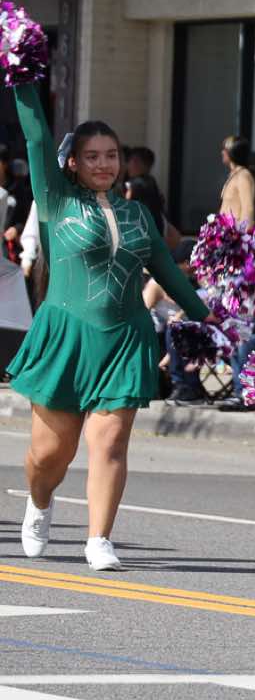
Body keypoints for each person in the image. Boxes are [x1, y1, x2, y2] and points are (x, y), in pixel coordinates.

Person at [9, 77, 216, 571]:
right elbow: (36, 136)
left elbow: (167, 272)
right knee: (50, 455)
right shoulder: (56, 199)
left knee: (110, 443)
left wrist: (209, 317)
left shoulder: (139, 214)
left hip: (124, 339)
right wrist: (21, 76)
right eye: (92, 156)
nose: (104, 164)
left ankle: (99, 538)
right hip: (65, 338)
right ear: (73, 163)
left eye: (111, 155)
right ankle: (39, 501)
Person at [219, 134, 255, 224]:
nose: (222, 152)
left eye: (225, 149)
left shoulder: (243, 175)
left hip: (235, 230)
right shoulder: (234, 175)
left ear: (233, 152)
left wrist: (241, 231)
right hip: (225, 230)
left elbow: (248, 208)